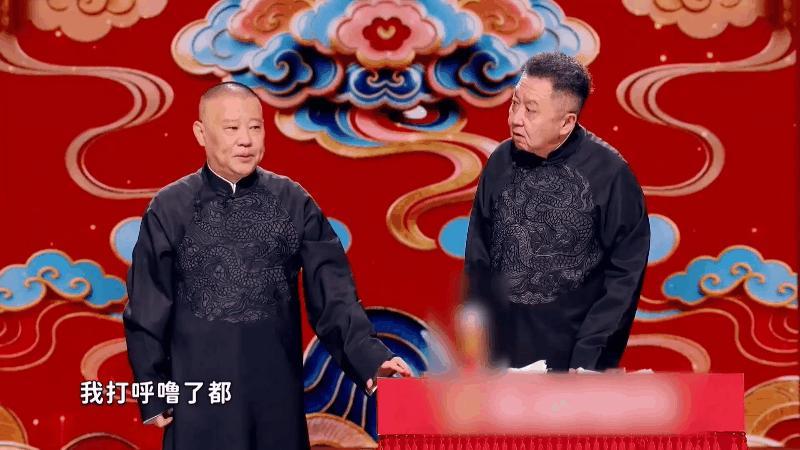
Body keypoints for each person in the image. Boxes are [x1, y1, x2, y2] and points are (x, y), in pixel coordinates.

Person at [123, 82, 411, 450]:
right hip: (199, 399)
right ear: (201, 133)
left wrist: (372, 360)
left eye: (255, 127)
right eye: (231, 128)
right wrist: (152, 389)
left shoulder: (293, 202)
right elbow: (147, 307)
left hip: (275, 398)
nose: (245, 140)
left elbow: (334, 298)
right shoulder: (169, 208)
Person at [464, 52, 650, 372]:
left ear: (566, 122)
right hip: (500, 363)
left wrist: (587, 364)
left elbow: (623, 280)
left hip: (574, 362)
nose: (516, 118)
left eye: (531, 110)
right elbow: (478, 259)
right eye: (514, 104)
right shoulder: (499, 162)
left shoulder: (611, 175)